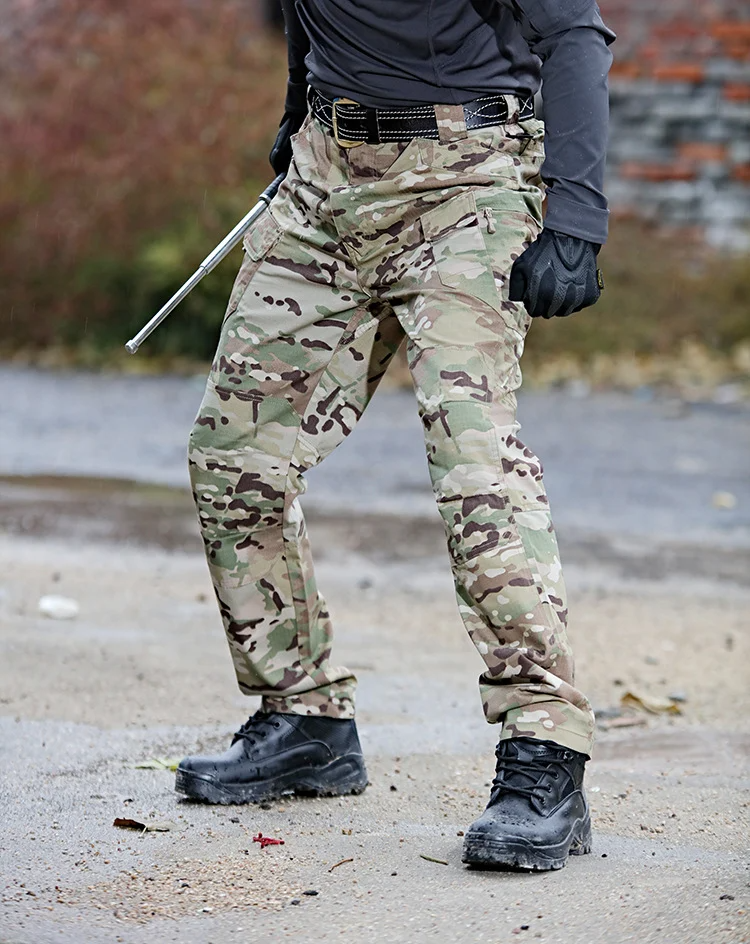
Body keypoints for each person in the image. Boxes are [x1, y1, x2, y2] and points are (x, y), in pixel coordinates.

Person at [176, 0, 615, 872]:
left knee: (473, 465)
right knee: (233, 458)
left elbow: (574, 35)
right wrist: (296, 110)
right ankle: (303, 718)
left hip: (467, 182)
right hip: (324, 183)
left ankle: (545, 755)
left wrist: (577, 219)